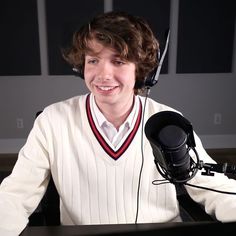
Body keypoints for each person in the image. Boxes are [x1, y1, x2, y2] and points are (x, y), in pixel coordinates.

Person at [0, 11, 236, 235]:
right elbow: (15, 196)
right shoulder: (52, 121)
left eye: (119, 61)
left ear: (141, 71)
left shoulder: (167, 121)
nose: (102, 74)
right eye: (93, 61)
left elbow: (212, 187)